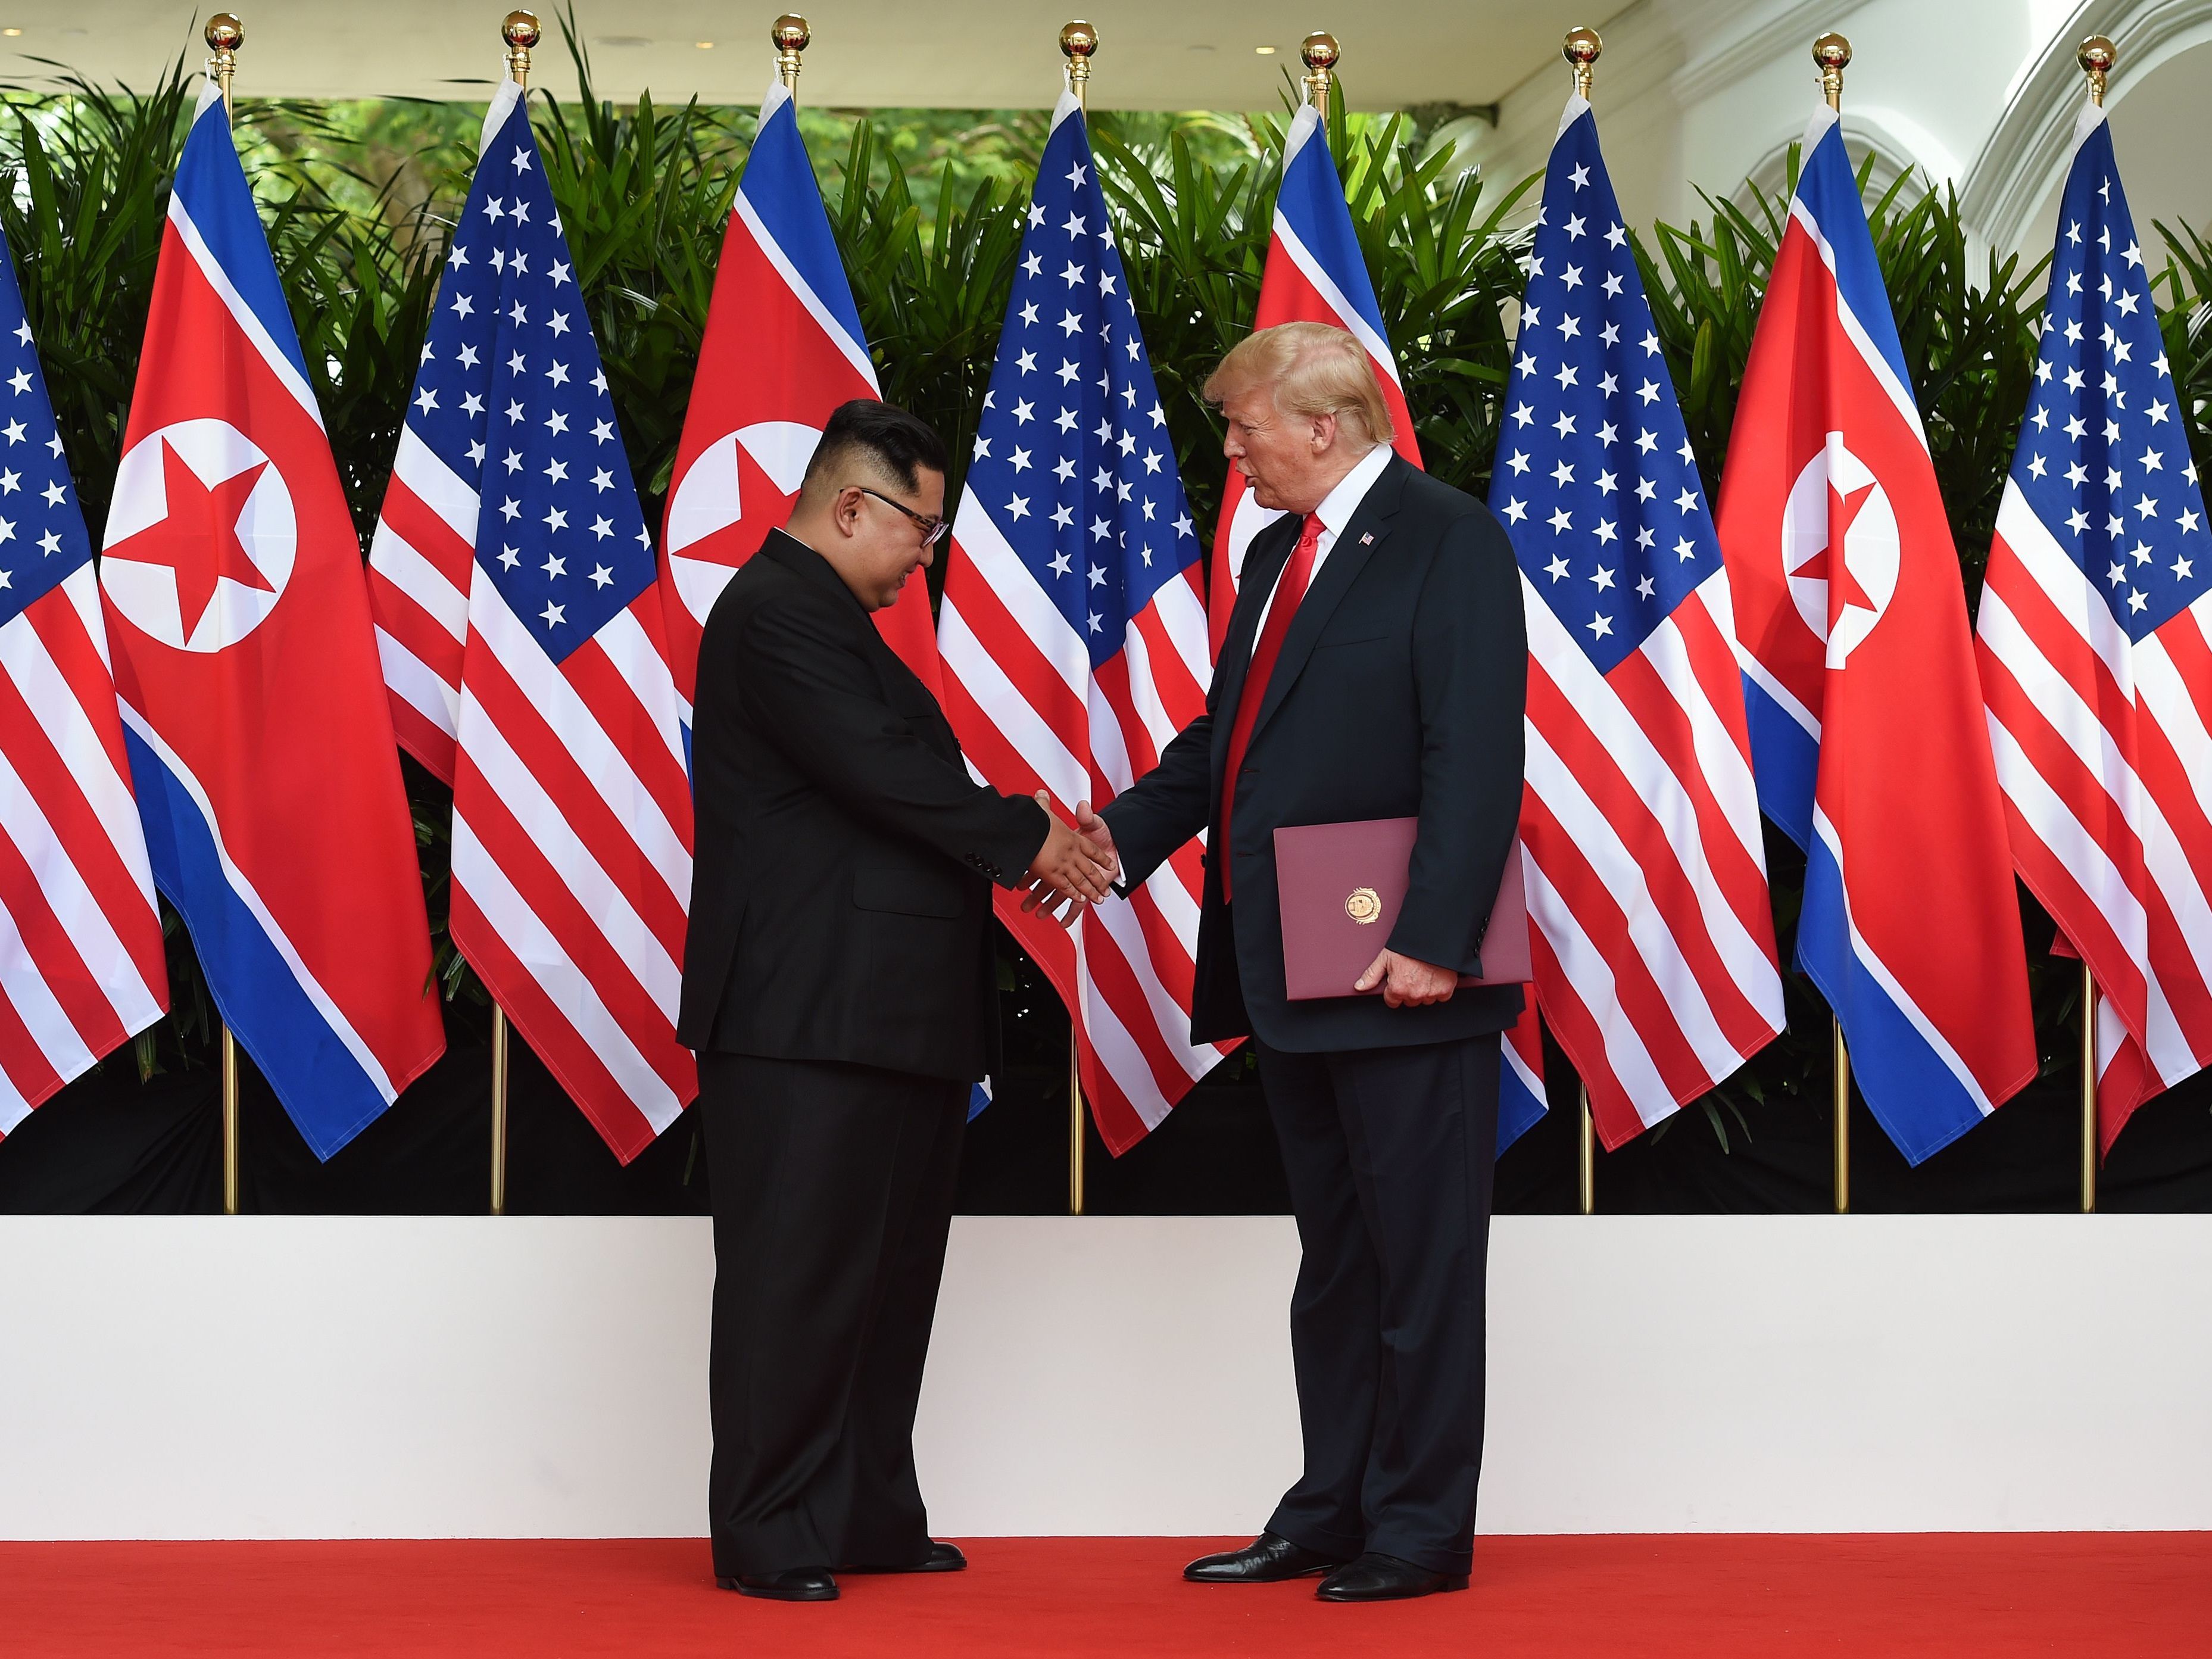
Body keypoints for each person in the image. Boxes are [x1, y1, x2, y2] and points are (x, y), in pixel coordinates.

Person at [1083, 322, 1527, 1602]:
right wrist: (1112, 840)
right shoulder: (1278, 550)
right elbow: (1232, 738)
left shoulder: (1449, 536)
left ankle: (1419, 1531)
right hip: (1290, 965)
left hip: (1403, 969)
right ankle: (1326, 1509)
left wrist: (1435, 938)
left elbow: (1473, 749)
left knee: (1422, 1264)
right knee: (1336, 1260)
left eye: (1242, 426)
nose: (1230, 452)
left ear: (1321, 427)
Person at [679, 398, 1117, 1603]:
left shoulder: (829, 623)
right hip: (803, 1011)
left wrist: (1012, 825)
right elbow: (882, 778)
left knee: (884, 1278)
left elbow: (902, 787)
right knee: (797, 1278)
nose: (929, 555)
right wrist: (1029, 834)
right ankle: (771, 1531)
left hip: (884, 1011)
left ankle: (866, 1509)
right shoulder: (773, 614)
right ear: (851, 507)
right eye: (921, 530)